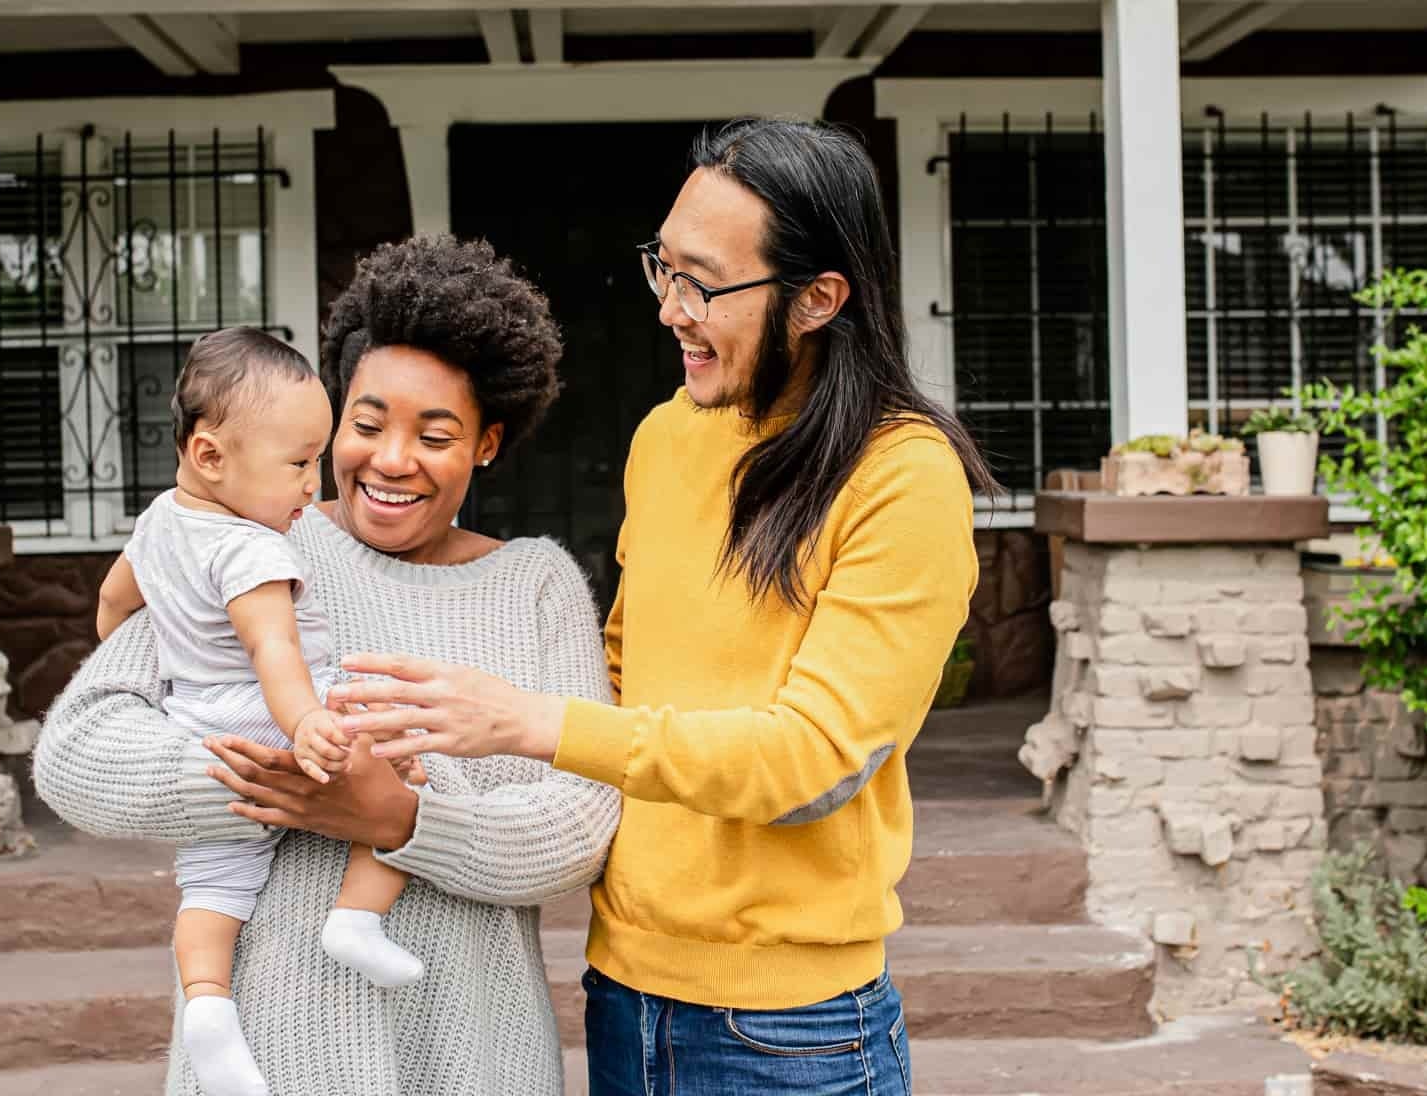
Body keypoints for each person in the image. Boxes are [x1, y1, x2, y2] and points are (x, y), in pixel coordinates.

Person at [330, 119, 999, 1096]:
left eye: (705, 283)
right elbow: (620, 664)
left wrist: (529, 720)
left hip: (790, 1029)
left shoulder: (903, 477)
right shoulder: (668, 436)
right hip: (624, 988)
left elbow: (812, 762)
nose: (670, 310)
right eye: (663, 269)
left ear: (818, 298)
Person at [33, 236, 621, 1096]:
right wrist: (283, 782)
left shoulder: (535, 586)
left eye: (436, 434)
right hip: (277, 1052)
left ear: (488, 444)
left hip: (476, 1055)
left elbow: (582, 826)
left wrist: (403, 818)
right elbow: (76, 754)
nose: (390, 460)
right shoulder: (252, 541)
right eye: (368, 423)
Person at [90, 327, 426, 1096]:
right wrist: (308, 721)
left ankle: (208, 1008)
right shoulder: (251, 549)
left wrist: (159, 663)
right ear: (211, 456)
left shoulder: (156, 524)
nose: (313, 484)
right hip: (275, 715)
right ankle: (356, 917)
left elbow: (111, 608)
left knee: (211, 888)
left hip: (202, 734)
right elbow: (275, 649)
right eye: (298, 463)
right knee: (411, 769)